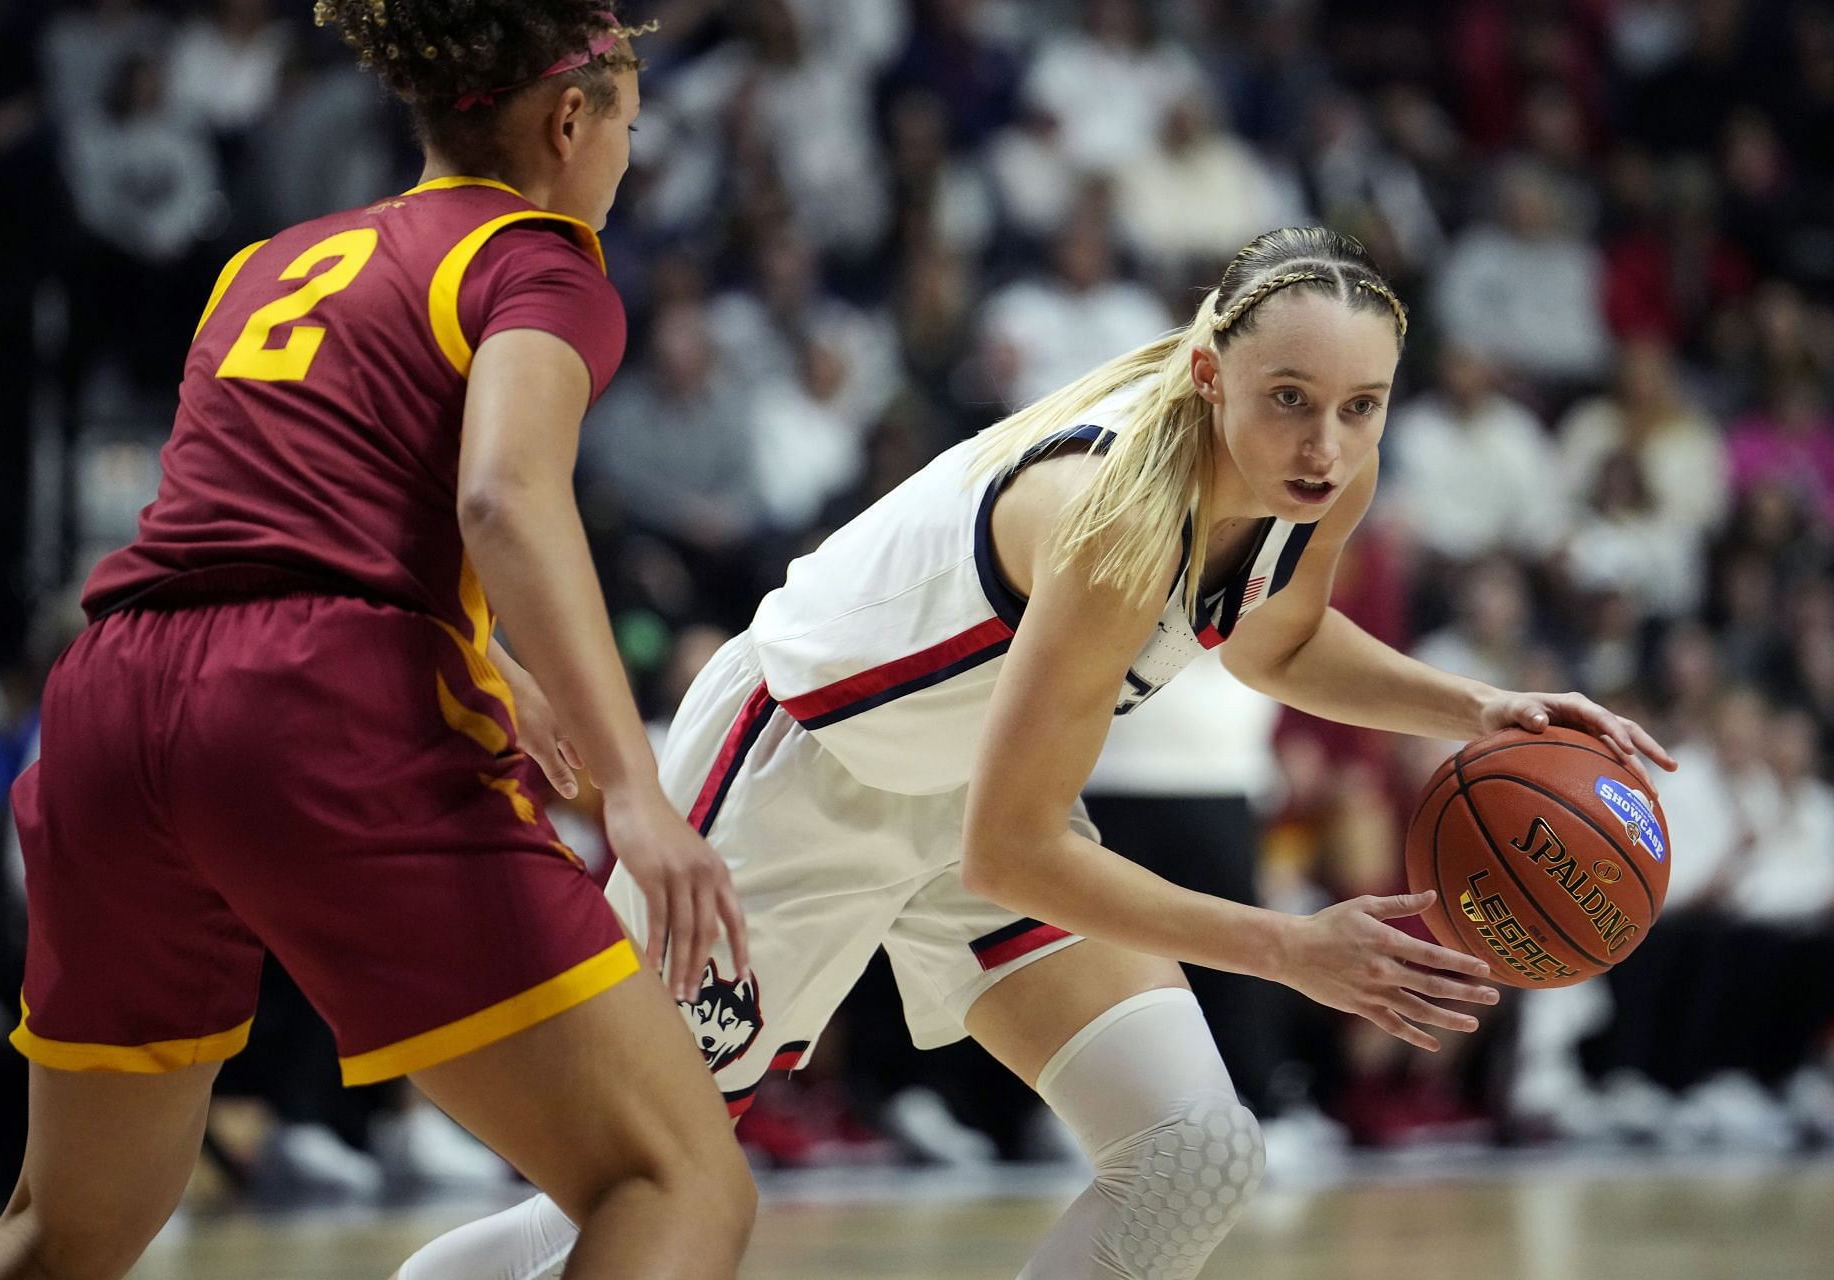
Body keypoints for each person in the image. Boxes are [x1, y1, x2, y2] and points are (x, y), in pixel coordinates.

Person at [400, 227, 1674, 1280]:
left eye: (1360, 406)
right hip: (794, 778)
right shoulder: (1110, 521)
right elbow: (1015, 849)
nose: (1327, 446)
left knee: (1190, 1148)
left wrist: (1483, 707)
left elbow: (1276, 640)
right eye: (1291, 400)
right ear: (1206, 372)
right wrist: (1290, 947)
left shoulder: (1323, 477)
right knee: (626, 1204)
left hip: (965, 795)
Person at [0, 6, 754, 1280]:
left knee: (58, 1236)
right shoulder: (542, 261)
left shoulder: (267, 259)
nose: (628, 161)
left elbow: (270, 527)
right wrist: (635, 793)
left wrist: (492, 662)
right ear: (571, 121)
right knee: (678, 1178)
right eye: (631, 129)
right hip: (309, 707)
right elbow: (503, 497)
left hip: (111, 696)